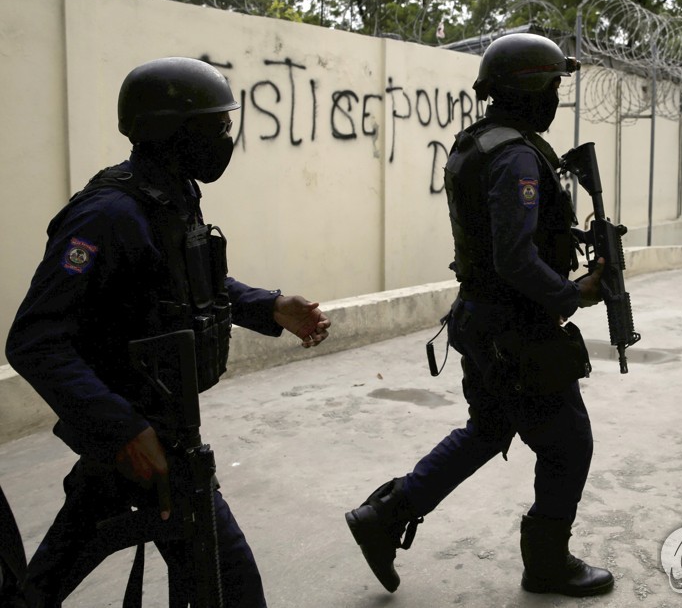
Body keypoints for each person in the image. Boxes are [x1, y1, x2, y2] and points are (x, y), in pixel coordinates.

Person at [5, 57, 331, 607]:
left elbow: (190, 283)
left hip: (159, 434)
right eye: (217, 126)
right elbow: (35, 340)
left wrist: (272, 306)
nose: (227, 138)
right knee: (233, 587)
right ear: (172, 131)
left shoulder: (171, 196)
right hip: (141, 442)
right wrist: (121, 430)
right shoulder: (106, 215)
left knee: (60, 579)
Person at [345, 33, 613, 597]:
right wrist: (575, 293)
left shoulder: (477, 142)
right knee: (569, 443)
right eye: (554, 85)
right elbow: (514, 257)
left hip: (483, 320)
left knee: (489, 428)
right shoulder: (516, 154)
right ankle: (546, 563)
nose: (558, 97)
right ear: (532, 88)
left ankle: (385, 516)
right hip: (517, 330)